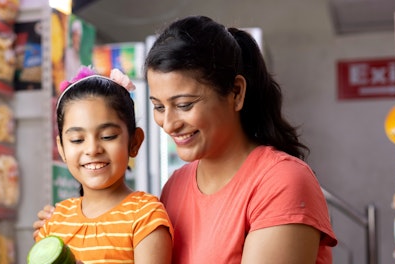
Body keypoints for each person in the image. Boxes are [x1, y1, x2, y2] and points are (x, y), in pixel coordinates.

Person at [35, 15, 337, 263]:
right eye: (158, 107)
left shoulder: (281, 181)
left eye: (184, 105)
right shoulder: (176, 187)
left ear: (236, 93)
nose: (169, 123)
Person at [35, 66, 173, 263]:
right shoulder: (53, 220)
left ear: (134, 142)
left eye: (107, 136)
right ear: (62, 148)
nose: (92, 149)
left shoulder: (145, 215)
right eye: (76, 140)